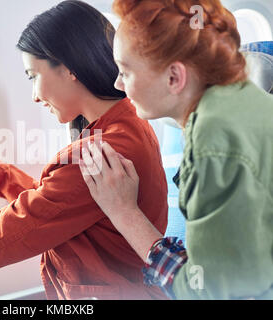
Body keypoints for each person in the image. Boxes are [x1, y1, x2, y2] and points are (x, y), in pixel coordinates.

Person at [0, 0, 168, 300]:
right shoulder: (129, 124)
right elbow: (57, 204)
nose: (35, 97)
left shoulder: (96, 154)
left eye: (33, 76)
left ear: (68, 69)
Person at [79, 0, 273, 300]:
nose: (118, 84)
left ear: (174, 78)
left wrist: (124, 212)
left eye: (125, 71)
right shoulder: (244, 98)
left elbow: (206, 292)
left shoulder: (214, 138)